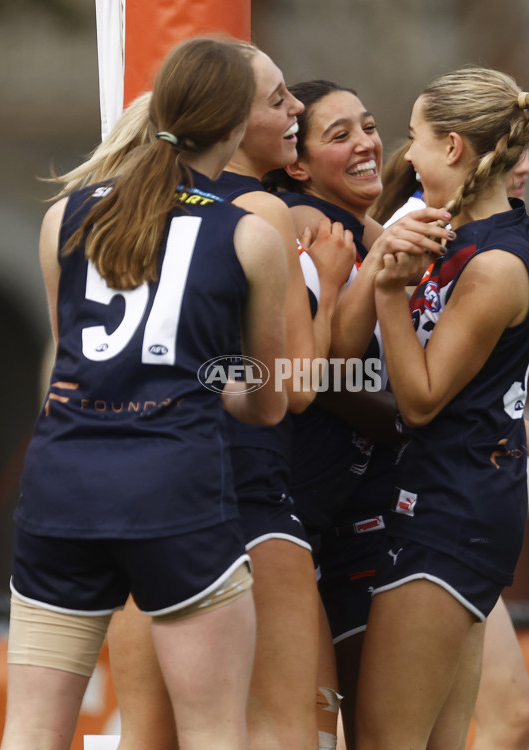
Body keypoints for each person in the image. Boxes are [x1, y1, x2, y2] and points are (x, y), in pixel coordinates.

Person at [0, 37, 290, 750]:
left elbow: (65, 362)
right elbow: (270, 399)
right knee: (214, 732)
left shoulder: (62, 216)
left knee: (31, 730)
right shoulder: (250, 234)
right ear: (232, 126)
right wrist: (220, 392)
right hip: (174, 489)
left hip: (62, 482)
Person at [101, 46, 357, 750]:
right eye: (279, 101)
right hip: (244, 486)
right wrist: (330, 287)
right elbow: (295, 390)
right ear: (229, 122)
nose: (295, 110)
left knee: (148, 735)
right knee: (282, 732)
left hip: (140, 489)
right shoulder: (260, 215)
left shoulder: (141, 207)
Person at [353, 65, 529, 750]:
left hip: (451, 505)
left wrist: (385, 293)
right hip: (457, 494)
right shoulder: (463, 229)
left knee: (384, 739)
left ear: (455, 147)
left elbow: (424, 397)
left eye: (413, 137)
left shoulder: (494, 263)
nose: (404, 154)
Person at [264, 78, 452, 749]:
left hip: (373, 513)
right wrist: (409, 418)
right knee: (308, 730)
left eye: (369, 126)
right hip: (284, 514)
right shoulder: (289, 226)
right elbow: (314, 377)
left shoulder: (372, 234)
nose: (368, 143)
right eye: (338, 134)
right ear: (296, 160)